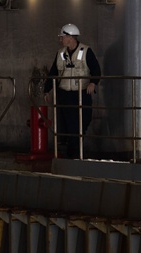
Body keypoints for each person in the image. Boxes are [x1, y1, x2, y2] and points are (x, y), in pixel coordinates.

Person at [43, 23, 101, 159]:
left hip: (82, 94)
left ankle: (74, 152)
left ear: (70, 37)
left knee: (84, 121)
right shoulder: (61, 53)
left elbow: (96, 70)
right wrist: (47, 90)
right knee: (71, 126)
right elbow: (53, 73)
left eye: (62, 37)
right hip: (65, 95)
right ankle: (73, 154)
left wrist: (93, 83)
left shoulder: (86, 51)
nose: (60, 39)